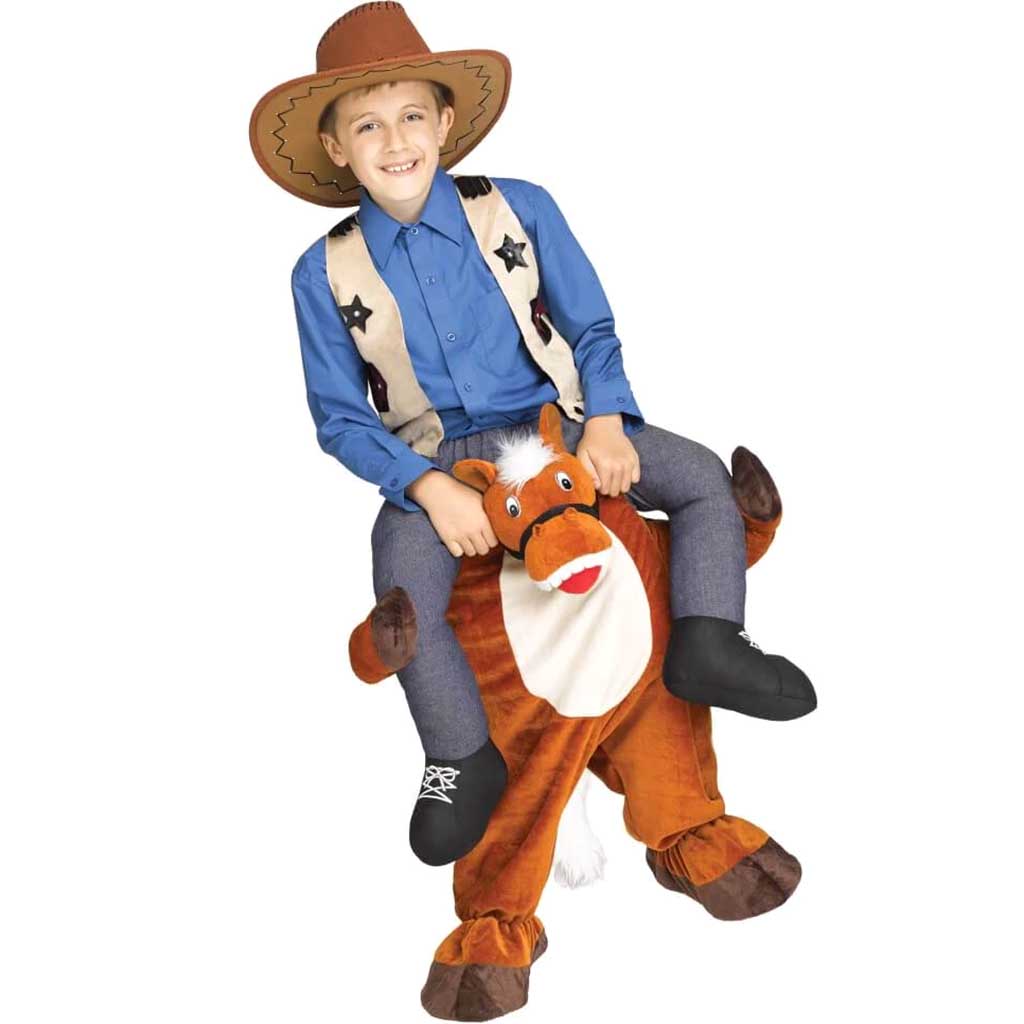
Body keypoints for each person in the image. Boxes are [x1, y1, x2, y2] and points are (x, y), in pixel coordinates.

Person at [249, 2, 817, 867]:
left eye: (411, 116)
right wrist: (425, 486)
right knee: (401, 577)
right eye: (367, 126)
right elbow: (339, 416)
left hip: (557, 425)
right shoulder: (320, 271)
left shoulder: (520, 208)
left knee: (702, 476)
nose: (395, 142)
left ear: (445, 122)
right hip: (437, 457)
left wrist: (609, 420)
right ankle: (458, 752)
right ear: (336, 146)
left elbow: (591, 327)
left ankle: (709, 635)